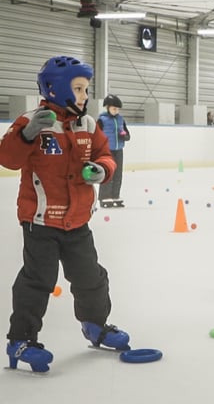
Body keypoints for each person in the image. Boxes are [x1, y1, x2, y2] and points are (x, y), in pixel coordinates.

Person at [1, 56, 130, 373]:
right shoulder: (34, 122)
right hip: (41, 222)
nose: (85, 96)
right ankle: (20, 341)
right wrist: (27, 135)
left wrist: (102, 170)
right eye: (78, 89)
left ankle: (95, 325)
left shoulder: (87, 124)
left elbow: (104, 154)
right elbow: (8, 158)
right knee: (37, 281)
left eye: (86, 88)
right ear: (56, 89)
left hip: (78, 221)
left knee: (91, 278)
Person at [96, 94, 130, 208]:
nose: (116, 111)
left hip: (119, 150)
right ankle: (104, 197)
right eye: (114, 108)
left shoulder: (121, 119)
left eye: (118, 109)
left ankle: (115, 195)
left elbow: (127, 134)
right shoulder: (102, 120)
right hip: (107, 151)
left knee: (118, 174)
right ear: (108, 107)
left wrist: (124, 136)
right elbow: (96, 135)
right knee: (107, 173)